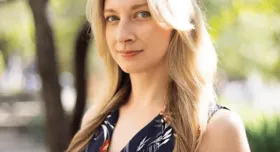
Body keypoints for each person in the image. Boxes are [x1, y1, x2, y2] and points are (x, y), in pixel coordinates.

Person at [67, 0, 251, 151]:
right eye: (112, 18)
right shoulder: (94, 122)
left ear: (174, 21)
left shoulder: (217, 130)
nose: (122, 35)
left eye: (142, 14)